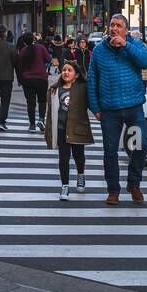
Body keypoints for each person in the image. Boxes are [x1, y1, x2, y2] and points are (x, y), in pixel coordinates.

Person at [87, 13, 147, 205]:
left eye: (118, 26)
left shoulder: (135, 45)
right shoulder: (100, 50)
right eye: (112, 25)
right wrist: (95, 108)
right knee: (110, 151)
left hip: (133, 107)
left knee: (139, 147)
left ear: (125, 29)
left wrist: (126, 45)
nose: (114, 29)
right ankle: (113, 190)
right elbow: (93, 80)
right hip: (110, 111)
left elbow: (145, 62)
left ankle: (134, 184)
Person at [46, 59, 94, 200]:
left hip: (78, 128)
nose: (66, 72)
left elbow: (92, 103)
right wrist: (49, 131)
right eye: (64, 70)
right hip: (62, 129)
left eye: (69, 70)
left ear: (77, 75)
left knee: (79, 156)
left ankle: (80, 175)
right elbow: (51, 112)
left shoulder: (83, 88)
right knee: (63, 158)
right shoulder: (55, 89)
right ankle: (65, 186)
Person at [15, 30, 52, 131]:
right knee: (42, 100)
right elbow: (49, 59)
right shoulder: (41, 48)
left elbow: (20, 67)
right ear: (34, 39)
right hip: (41, 79)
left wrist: (20, 80)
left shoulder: (22, 51)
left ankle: (32, 125)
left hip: (28, 80)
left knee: (31, 103)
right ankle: (41, 120)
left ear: (24, 41)